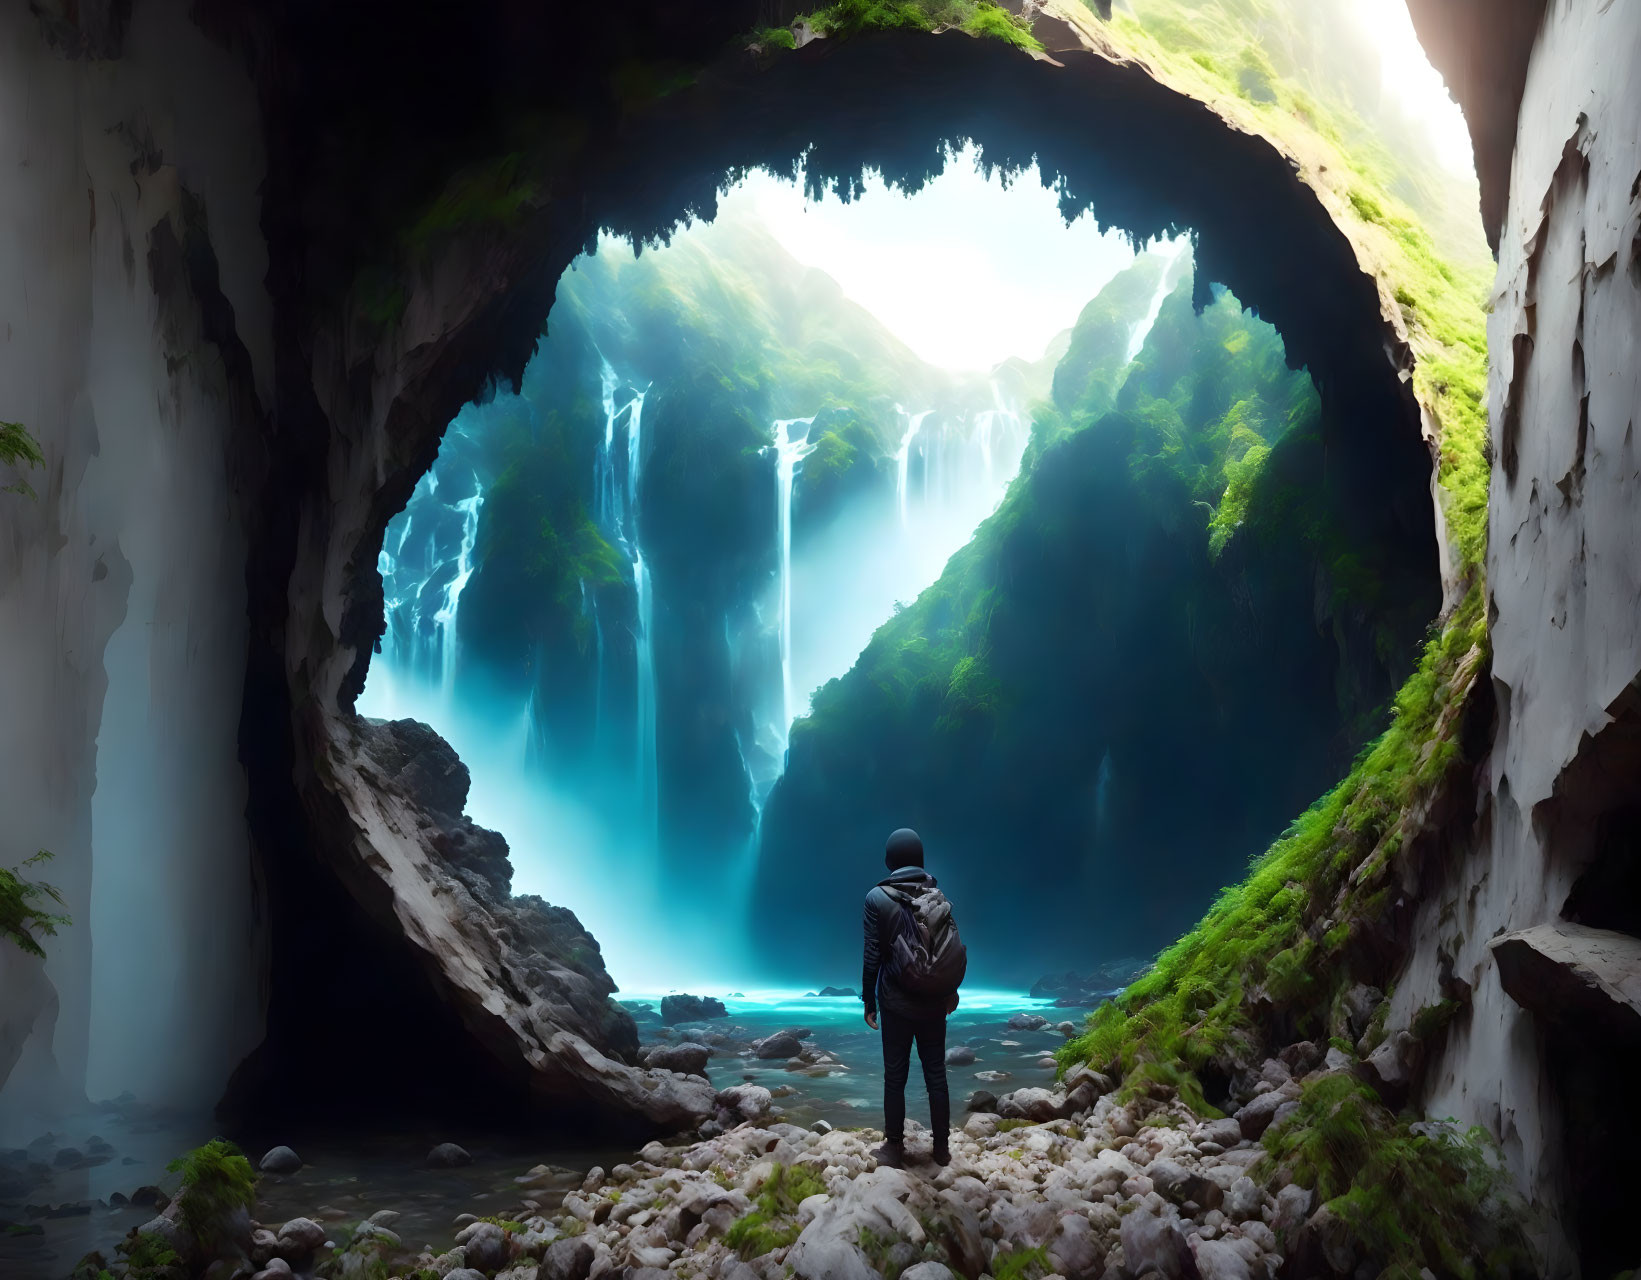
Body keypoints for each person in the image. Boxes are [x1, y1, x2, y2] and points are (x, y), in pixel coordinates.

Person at [862, 827, 960, 1168]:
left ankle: (893, 1147)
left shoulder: (876, 899)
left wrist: (868, 1001)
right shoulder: (938, 895)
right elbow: (946, 949)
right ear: (919, 859)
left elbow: (872, 954)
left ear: (890, 860)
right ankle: (942, 1149)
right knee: (936, 1073)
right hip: (934, 1000)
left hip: (896, 1003)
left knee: (895, 1076)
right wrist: (950, 991)